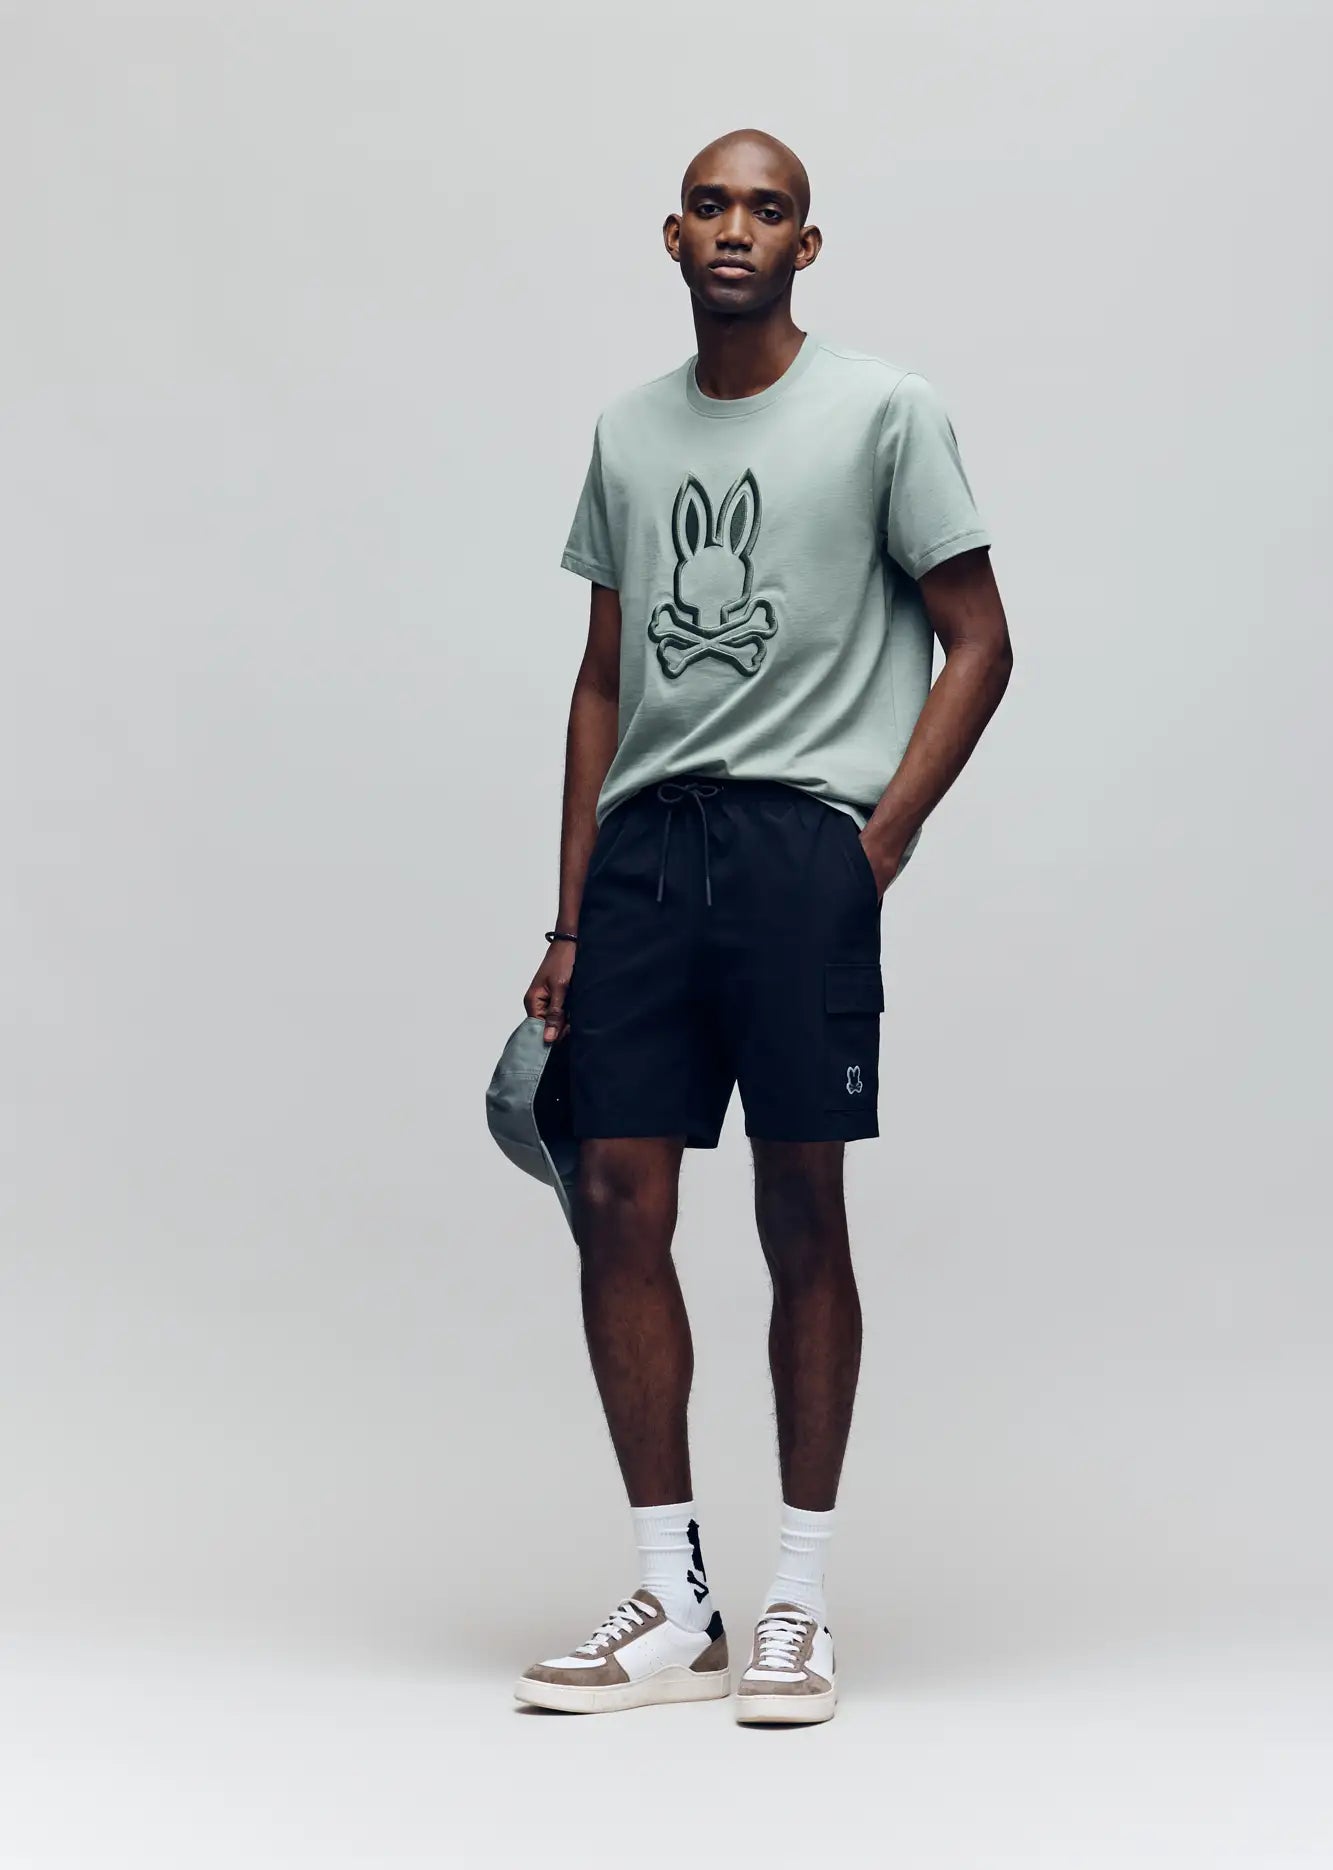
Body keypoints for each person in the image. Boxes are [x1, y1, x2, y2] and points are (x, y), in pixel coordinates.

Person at [513, 127, 1013, 1724]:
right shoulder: (627, 430)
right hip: (646, 852)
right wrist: (571, 918)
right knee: (613, 1197)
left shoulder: (885, 410)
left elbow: (980, 638)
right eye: (713, 205)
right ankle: (676, 1597)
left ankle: (798, 1595)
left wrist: (880, 839)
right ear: (672, 237)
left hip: (804, 849)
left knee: (802, 1207)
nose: (739, 227)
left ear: (808, 244)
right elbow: (603, 678)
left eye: (770, 208)